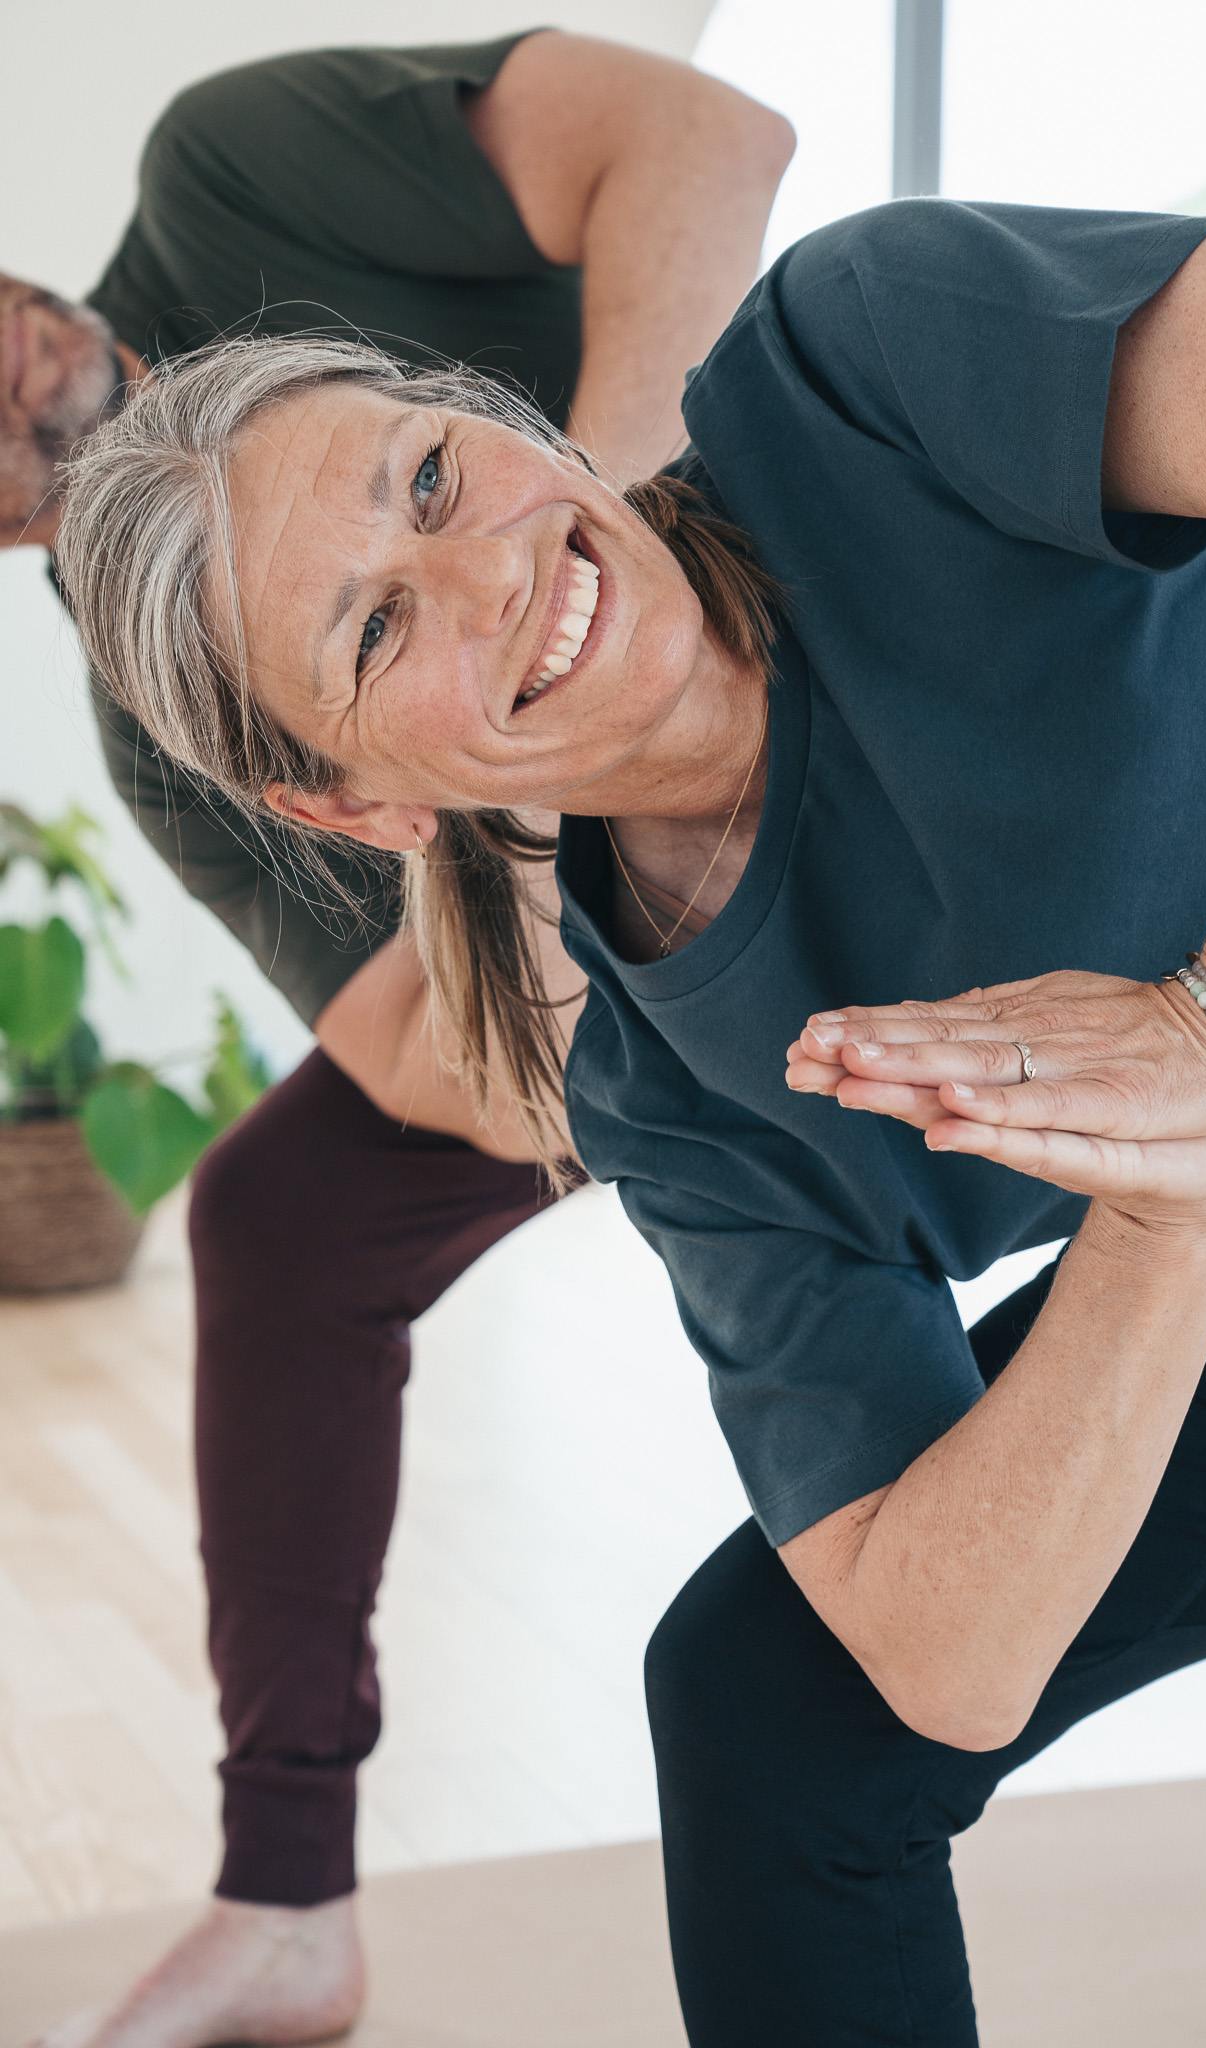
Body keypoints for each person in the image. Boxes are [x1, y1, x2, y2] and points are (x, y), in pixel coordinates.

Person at [56, 194, 1206, 2044]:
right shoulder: (671, 1089)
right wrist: (1162, 1221)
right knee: (775, 1714)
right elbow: (943, 1658)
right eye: (374, 632)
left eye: (431, 481)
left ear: (490, 414)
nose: (491, 572)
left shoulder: (861, 364)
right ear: (355, 806)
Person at [4, 30, 793, 2046]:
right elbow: (453, 1057)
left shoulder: (227, 178)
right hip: (634, 914)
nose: (3, 357)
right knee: (281, 1220)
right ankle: (287, 1903)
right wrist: (532, 796)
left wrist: (599, 584)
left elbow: (702, 134)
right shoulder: (162, 712)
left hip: (803, 635)